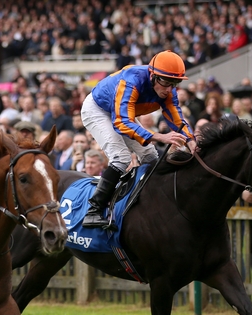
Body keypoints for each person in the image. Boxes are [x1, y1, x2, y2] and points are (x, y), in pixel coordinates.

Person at [80, 50, 196, 228]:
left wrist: (191, 141)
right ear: (152, 75)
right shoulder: (131, 81)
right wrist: (158, 136)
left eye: (175, 83)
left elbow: (176, 119)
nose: (168, 89)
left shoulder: (168, 89)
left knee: (151, 157)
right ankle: (93, 211)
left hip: (122, 114)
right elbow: (121, 122)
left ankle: (148, 202)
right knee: (121, 157)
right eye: (165, 82)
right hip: (98, 109)